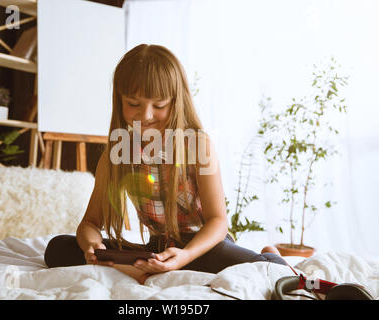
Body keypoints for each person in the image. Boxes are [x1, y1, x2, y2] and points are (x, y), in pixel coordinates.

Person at [44, 44, 286, 284]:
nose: (146, 115)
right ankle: (148, 269)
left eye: (159, 105)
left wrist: (185, 255)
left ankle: (269, 253)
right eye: (133, 103)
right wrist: (93, 247)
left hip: (203, 248)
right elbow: (89, 223)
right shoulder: (116, 154)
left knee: (273, 270)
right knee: (57, 248)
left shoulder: (198, 145)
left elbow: (218, 221)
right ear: (119, 100)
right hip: (157, 250)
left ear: (176, 101)